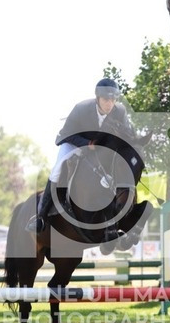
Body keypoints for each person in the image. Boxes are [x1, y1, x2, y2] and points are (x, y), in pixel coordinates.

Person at [25, 78, 136, 233]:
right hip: (74, 142)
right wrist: (87, 144)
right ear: (98, 98)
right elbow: (67, 133)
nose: (109, 104)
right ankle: (41, 217)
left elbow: (127, 132)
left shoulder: (119, 111)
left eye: (113, 100)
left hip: (100, 148)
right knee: (57, 169)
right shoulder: (81, 109)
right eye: (106, 100)